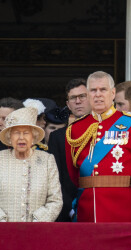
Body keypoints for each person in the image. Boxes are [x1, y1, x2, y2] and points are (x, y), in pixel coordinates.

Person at [65, 71, 131, 222]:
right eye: (93, 90)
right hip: (87, 209)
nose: (98, 94)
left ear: (113, 93)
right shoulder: (75, 129)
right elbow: (73, 174)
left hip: (124, 208)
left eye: (103, 90)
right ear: (88, 95)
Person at [0, 107, 63, 222]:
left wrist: (37, 221)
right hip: (3, 232)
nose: (21, 138)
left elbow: (55, 200)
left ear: (33, 136)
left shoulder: (47, 160)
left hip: (37, 231)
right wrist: (0, 221)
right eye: (16, 133)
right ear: (10, 137)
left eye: (26, 133)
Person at [48, 78, 90, 222]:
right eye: (73, 98)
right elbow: (55, 178)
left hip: (99, 206)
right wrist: (70, 209)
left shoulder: (106, 133)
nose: (78, 101)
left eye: (82, 96)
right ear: (68, 105)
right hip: (67, 212)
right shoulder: (57, 137)